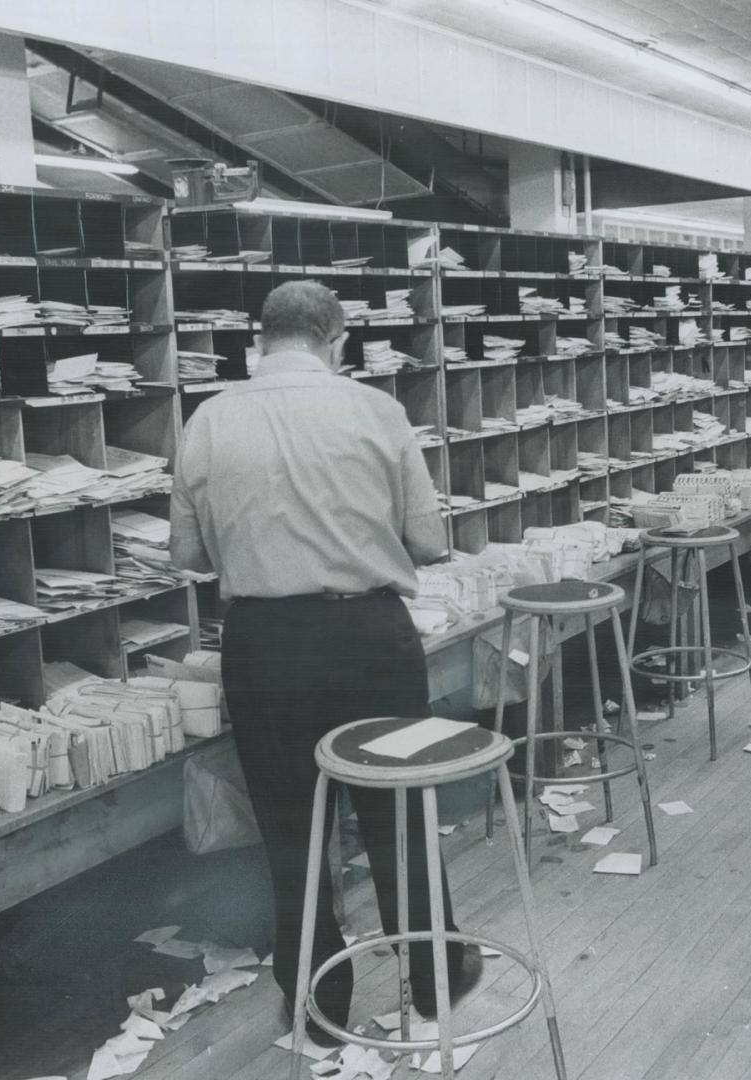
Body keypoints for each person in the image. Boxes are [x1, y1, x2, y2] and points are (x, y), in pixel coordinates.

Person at [169, 280, 479, 1040]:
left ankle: (316, 998)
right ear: (336, 339)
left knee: (288, 824)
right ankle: (436, 973)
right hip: (367, 636)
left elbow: (188, 555)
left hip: (263, 645)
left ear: (260, 339)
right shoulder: (376, 411)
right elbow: (429, 543)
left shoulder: (207, 419)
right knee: (396, 810)